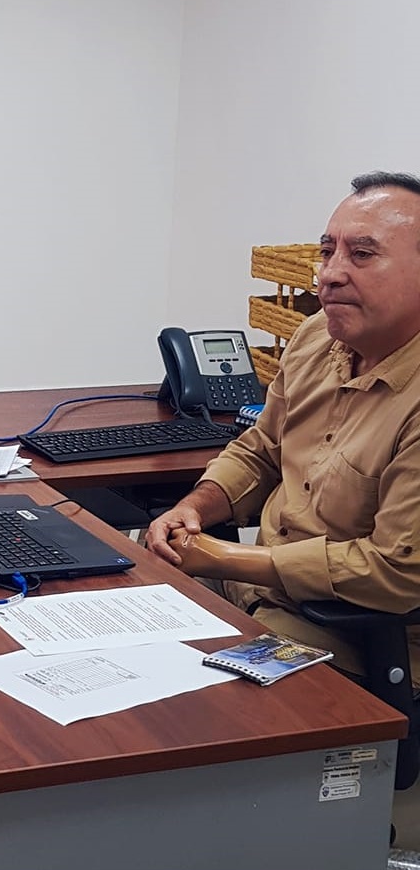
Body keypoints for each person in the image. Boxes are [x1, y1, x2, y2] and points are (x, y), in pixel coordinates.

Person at [145, 171, 420, 682]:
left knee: (177, 709)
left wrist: (222, 557)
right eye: (327, 252)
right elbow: (260, 450)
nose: (330, 274)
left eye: (361, 255)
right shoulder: (316, 337)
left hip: (353, 640)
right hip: (256, 596)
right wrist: (193, 509)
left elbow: (395, 572)